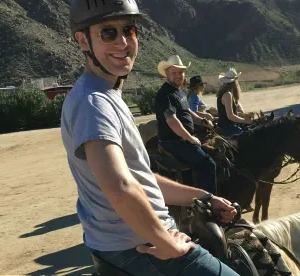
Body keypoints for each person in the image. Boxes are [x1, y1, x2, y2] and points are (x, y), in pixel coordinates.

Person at [62, 2, 239, 275]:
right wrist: (166, 243)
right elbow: (120, 188)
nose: (123, 42)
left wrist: (203, 196)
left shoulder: (107, 94)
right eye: (108, 33)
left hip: (134, 240)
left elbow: (140, 178)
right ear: (83, 40)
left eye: (128, 30)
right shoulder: (93, 102)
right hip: (141, 247)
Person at [155, 55, 217, 194]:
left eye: (181, 72)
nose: (178, 76)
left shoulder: (179, 91)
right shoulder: (165, 94)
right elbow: (172, 121)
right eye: (174, 73)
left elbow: (187, 112)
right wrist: (190, 138)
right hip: (174, 141)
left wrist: (202, 120)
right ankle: (209, 203)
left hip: (182, 139)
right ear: (167, 74)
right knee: (208, 165)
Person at [216, 68, 254, 137]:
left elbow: (229, 113)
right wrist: (246, 121)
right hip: (228, 128)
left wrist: (244, 115)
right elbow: (230, 116)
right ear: (234, 82)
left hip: (225, 126)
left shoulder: (224, 93)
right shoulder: (227, 95)